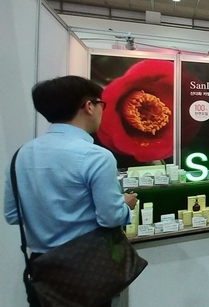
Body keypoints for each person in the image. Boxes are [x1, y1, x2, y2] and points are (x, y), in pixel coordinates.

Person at [3, 76, 138, 307]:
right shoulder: (96, 156)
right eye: (101, 104)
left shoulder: (21, 155)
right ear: (89, 106)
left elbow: (12, 214)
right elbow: (110, 217)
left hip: (42, 268)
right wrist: (125, 204)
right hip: (86, 267)